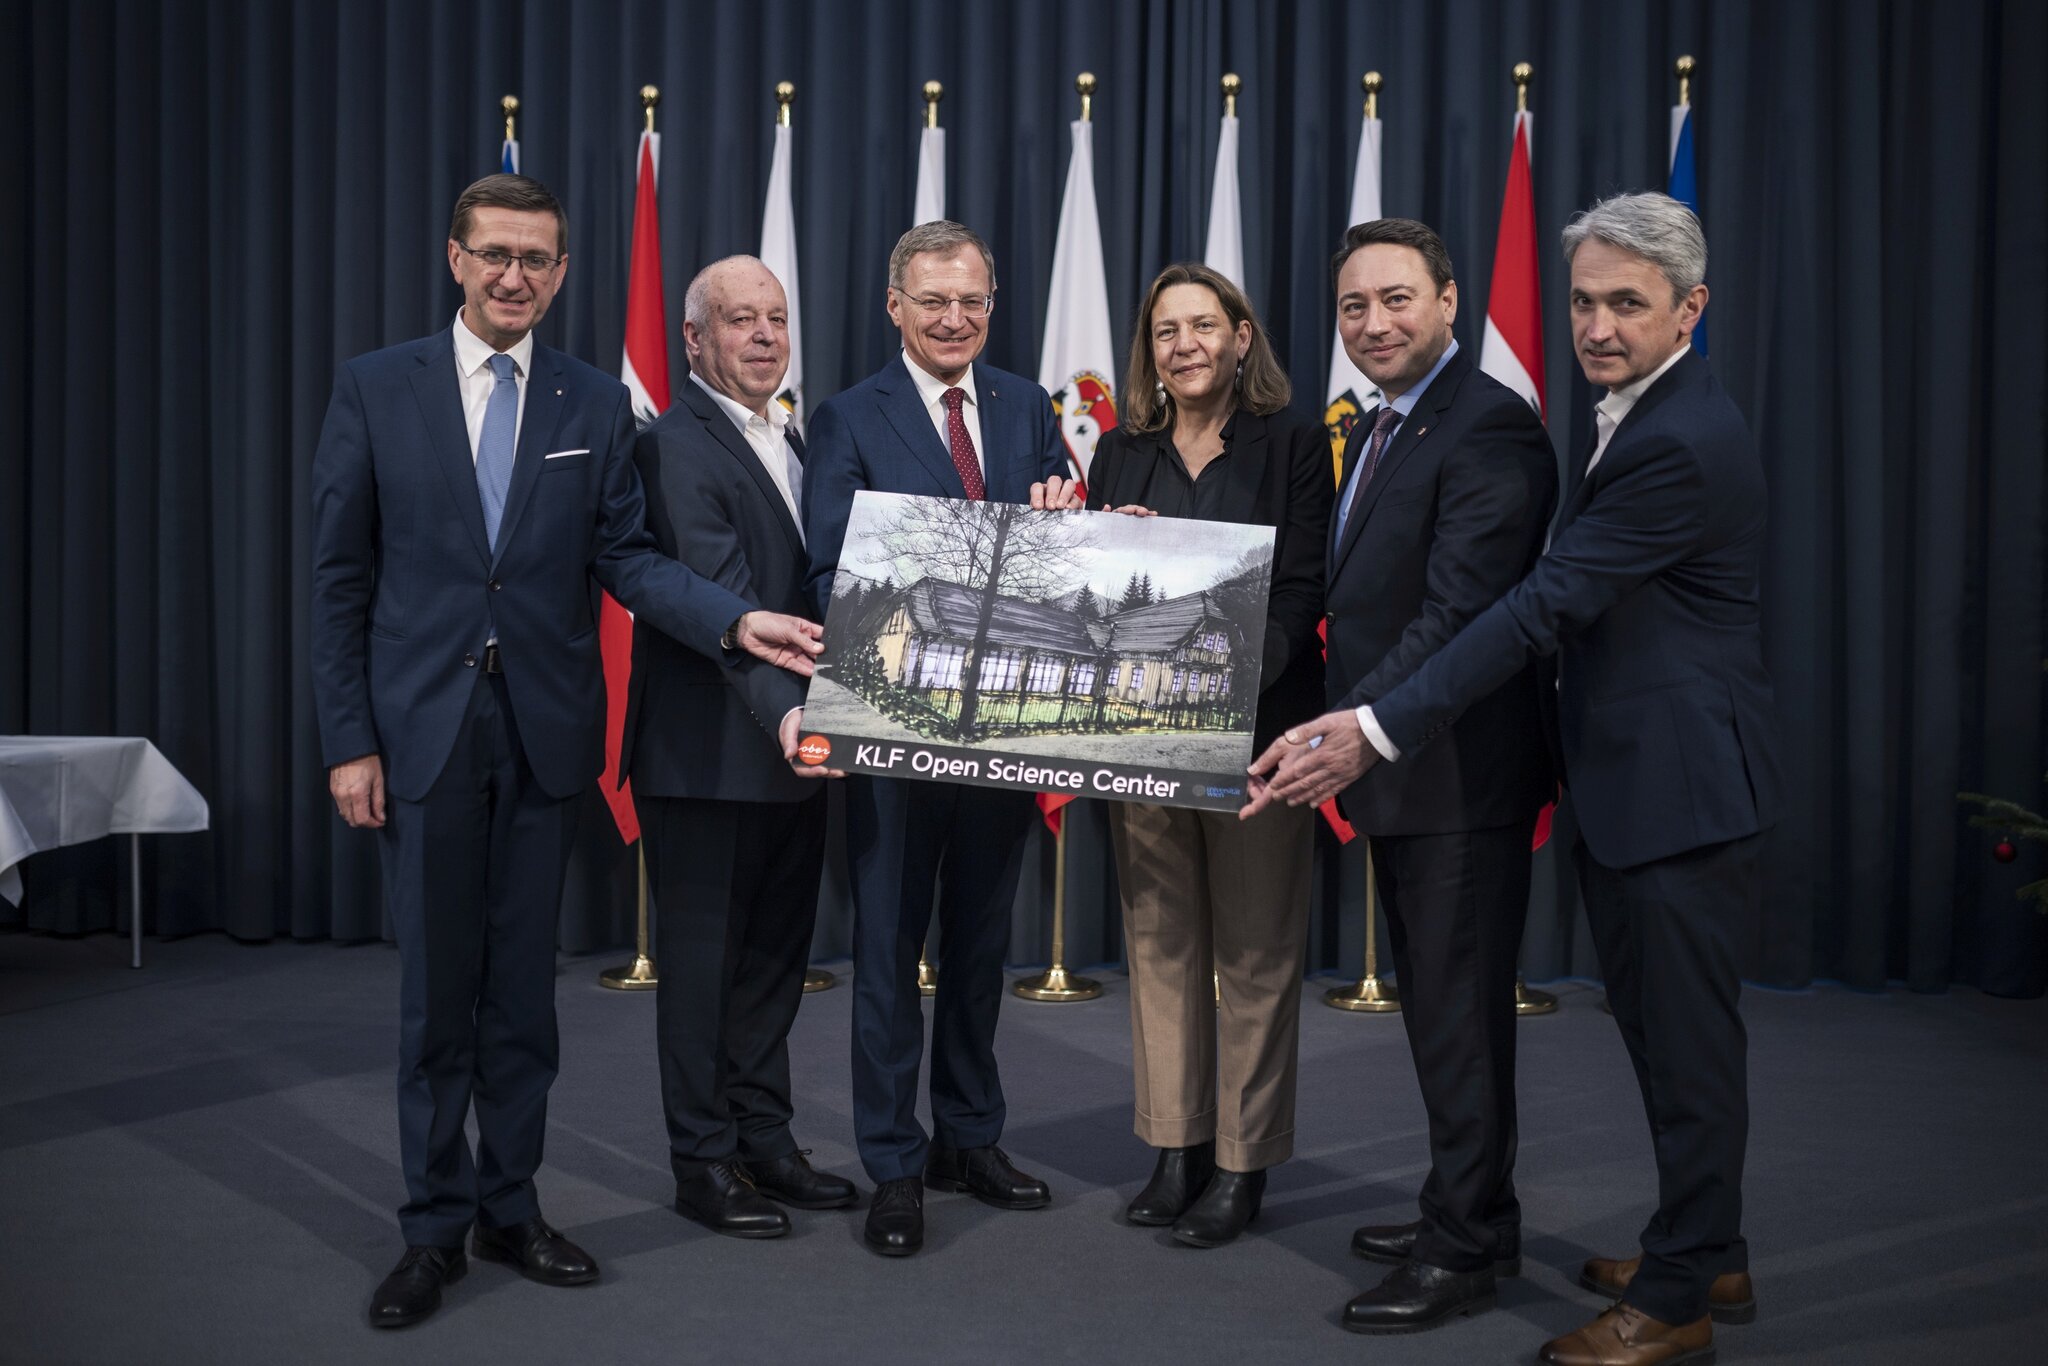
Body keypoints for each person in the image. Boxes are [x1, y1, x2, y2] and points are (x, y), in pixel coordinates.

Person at [1246, 191, 1778, 1366]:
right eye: (1582, 300)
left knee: (1684, 1047)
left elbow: (1524, 606)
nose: (1595, 325)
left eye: (1624, 304)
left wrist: (1370, 727)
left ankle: (1680, 1290)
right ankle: (1703, 1241)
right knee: (1654, 1031)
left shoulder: (1665, 437)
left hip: (1670, 783)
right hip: (1627, 773)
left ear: (1688, 308)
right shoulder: (1620, 414)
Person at [310, 174, 822, 1329]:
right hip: (425, 739)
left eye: (537, 260)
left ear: (561, 272)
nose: (514, 277)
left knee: (522, 1005)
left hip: (545, 740)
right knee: (437, 1000)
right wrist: (349, 739)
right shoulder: (375, 389)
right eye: (494, 254)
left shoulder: (596, 404)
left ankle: (512, 1206)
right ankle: (431, 1229)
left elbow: (630, 562)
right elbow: (338, 582)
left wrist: (733, 619)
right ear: (455, 259)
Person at [802, 220, 1075, 1257]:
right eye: (931, 302)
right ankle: (893, 1161)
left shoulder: (1025, 405)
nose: (952, 318)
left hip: (1005, 725)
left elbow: (1059, 554)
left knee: (979, 943)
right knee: (887, 950)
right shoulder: (845, 418)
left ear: (990, 302)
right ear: (894, 308)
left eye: (969, 300)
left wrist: (1061, 517)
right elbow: (833, 569)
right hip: (895, 727)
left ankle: (970, 1135)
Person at [1313, 220, 1556, 1332]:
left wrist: (1361, 726)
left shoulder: (1489, 428)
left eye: (1397, 299)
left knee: (1456, 1017)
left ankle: (1460, 1250)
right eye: (1354, 305)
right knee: (1438, 1011)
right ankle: (1474, 1208)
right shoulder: (1380, 427)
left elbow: (1460, 613)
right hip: (1411, 776)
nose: (1374, 322)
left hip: (1456, 774)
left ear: (1450, 301)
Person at [1082, 263, 1331, 1247]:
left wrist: (1225, 690)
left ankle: (1241, 1158)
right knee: (1158, 940)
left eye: (1200, 325)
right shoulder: (1118, 451)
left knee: (1257, 949)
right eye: (1162, 332)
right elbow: (1102, 599)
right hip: (1138, 730)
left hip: (1258, 730)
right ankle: (1174, 1144)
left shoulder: (1296, 444)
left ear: (1239, 336)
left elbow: (1303, 589)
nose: (1181, 345)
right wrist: (1102, 549)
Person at [618, 256, 855, 1242]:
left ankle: (764, 1137)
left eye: (776, 319)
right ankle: (702, 1161)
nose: (763, 336)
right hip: (709, 756)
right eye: (739, 321)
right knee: (704, 970)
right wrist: (793, 718)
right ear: (693, 340)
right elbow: (723, 595)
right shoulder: (674, 445)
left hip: (794, 756)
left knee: (771, 963)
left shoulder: (794, 438)